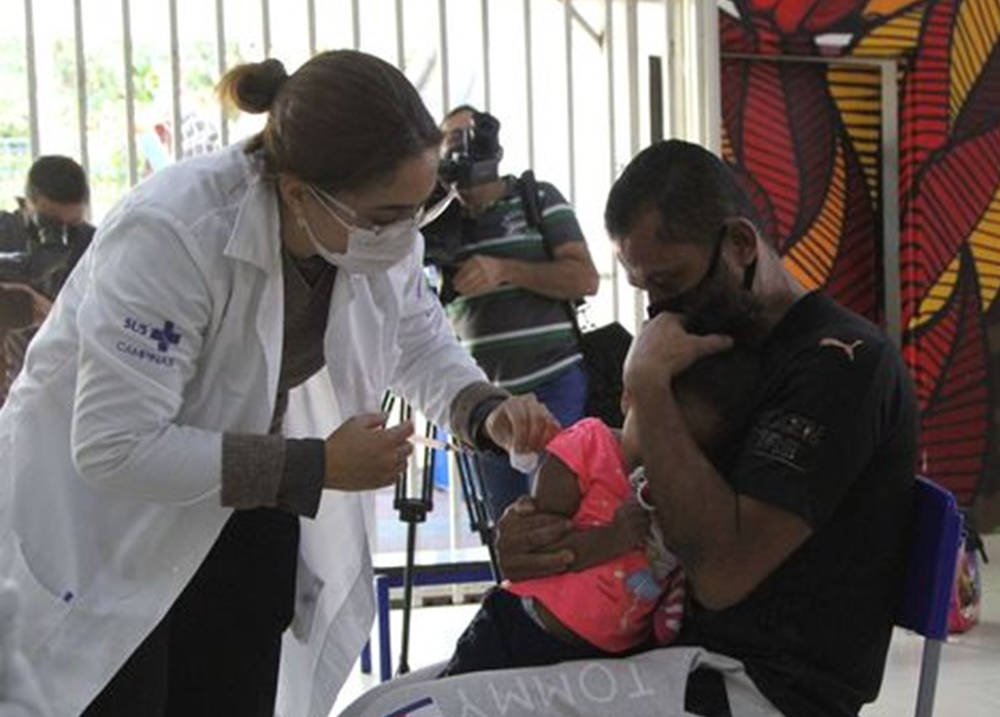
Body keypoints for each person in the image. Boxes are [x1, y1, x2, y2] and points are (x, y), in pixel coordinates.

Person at [0, 51, 560, 717]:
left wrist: (483, 410)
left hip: (245, 510)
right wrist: (317, 463)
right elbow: (115, 445)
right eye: (388, 215)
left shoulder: (367, 230)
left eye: (424, 205)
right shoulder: (175, 232)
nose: (407, 233)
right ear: (298, 192)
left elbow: (416, 338)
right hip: (106, 531)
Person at [494, 140, 920, 717]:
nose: (659, 310)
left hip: (763, 688)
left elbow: (721, 574)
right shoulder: (704, 342)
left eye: (669, 282)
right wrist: (539, 539)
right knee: (395, 702)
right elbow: (619, 491)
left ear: (740, 245)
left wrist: (647, 383)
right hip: (663, 654)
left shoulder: (841, 364)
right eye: (644, 289)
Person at [441, 348, 762, 677]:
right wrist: (614, 536)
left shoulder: (681, 488)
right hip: (526, 631)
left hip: (607, 659)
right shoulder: (587, 448)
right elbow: (539, 551)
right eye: (658, 427)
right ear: (628, 399)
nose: (666, 451)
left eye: (690, 446)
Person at [421, 106, 600, 519]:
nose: (465, 151)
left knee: (560, 509)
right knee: (508, 521)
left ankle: (568, 585)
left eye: (472, 137)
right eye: (452, 141)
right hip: (483, 398)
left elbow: (584, 278)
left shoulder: (536, 199)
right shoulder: (440, 218)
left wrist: (504, 270)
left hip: (554, 379)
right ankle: (518, 586)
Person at [0, 155, 95, 404]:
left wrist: (53, 315)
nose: (61, 236)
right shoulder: (4, 234)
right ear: (26, 203)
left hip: (66, 388)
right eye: (49, 224)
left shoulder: (94, 245)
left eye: (72, 226)